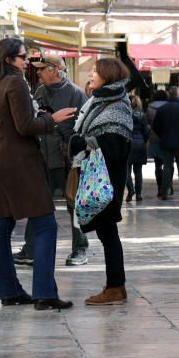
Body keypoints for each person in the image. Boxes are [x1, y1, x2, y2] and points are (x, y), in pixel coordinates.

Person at [0, 38, 77, 311]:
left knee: (1, 227)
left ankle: (9, 291)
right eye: (23, 57)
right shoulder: (15, 81)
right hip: (19, 160)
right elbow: (25, 126)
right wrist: (52, 120)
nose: (26, 63)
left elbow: (4, 123)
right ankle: (44, 293)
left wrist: (39, 115)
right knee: (45, 224)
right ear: (8, 59)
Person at [13, 55, 89, 267]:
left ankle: (80, 249)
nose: (37, 73)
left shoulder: (76, 94)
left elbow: (82, 130)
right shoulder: (39, 92)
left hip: (67, 161)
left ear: (54, 70)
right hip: (42, 158)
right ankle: (30, 250)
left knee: (74, 204)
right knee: (36, 204)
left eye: (41, 69)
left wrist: (59, 127)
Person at [69, 58, 132, 306]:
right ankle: (115, 285)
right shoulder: (102, 101)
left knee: (108, 233)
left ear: (108, 76)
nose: (91, 74)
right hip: (100, 175)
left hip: (107, 179)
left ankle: (116, 287)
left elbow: (116, 147)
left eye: (96, 71)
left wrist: (85, 143)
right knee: (107, 233)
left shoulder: (116, 106)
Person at [151, 86, 179, 200]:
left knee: (167, 167)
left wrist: (163, 135)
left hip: (166, 143)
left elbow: (155, 126)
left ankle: (164, 193)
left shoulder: (162, 109)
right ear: (178, 95)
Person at [126, 95, 151, 203]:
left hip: (128, 144)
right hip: (140, 144)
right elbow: (146, 131)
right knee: (138, 171)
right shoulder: (142, 116)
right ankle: (139, 194)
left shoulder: (126, 115)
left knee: (126, 170)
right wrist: (143, 141)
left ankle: (131, 190)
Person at [145, 90, 169, 197]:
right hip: (166, 137)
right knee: (168, 164)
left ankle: (159, 187)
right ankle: (167, 186)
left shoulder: (150, 107)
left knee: (158, 165)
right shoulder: (168, 106)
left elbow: (147, 123)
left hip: (154, 137)